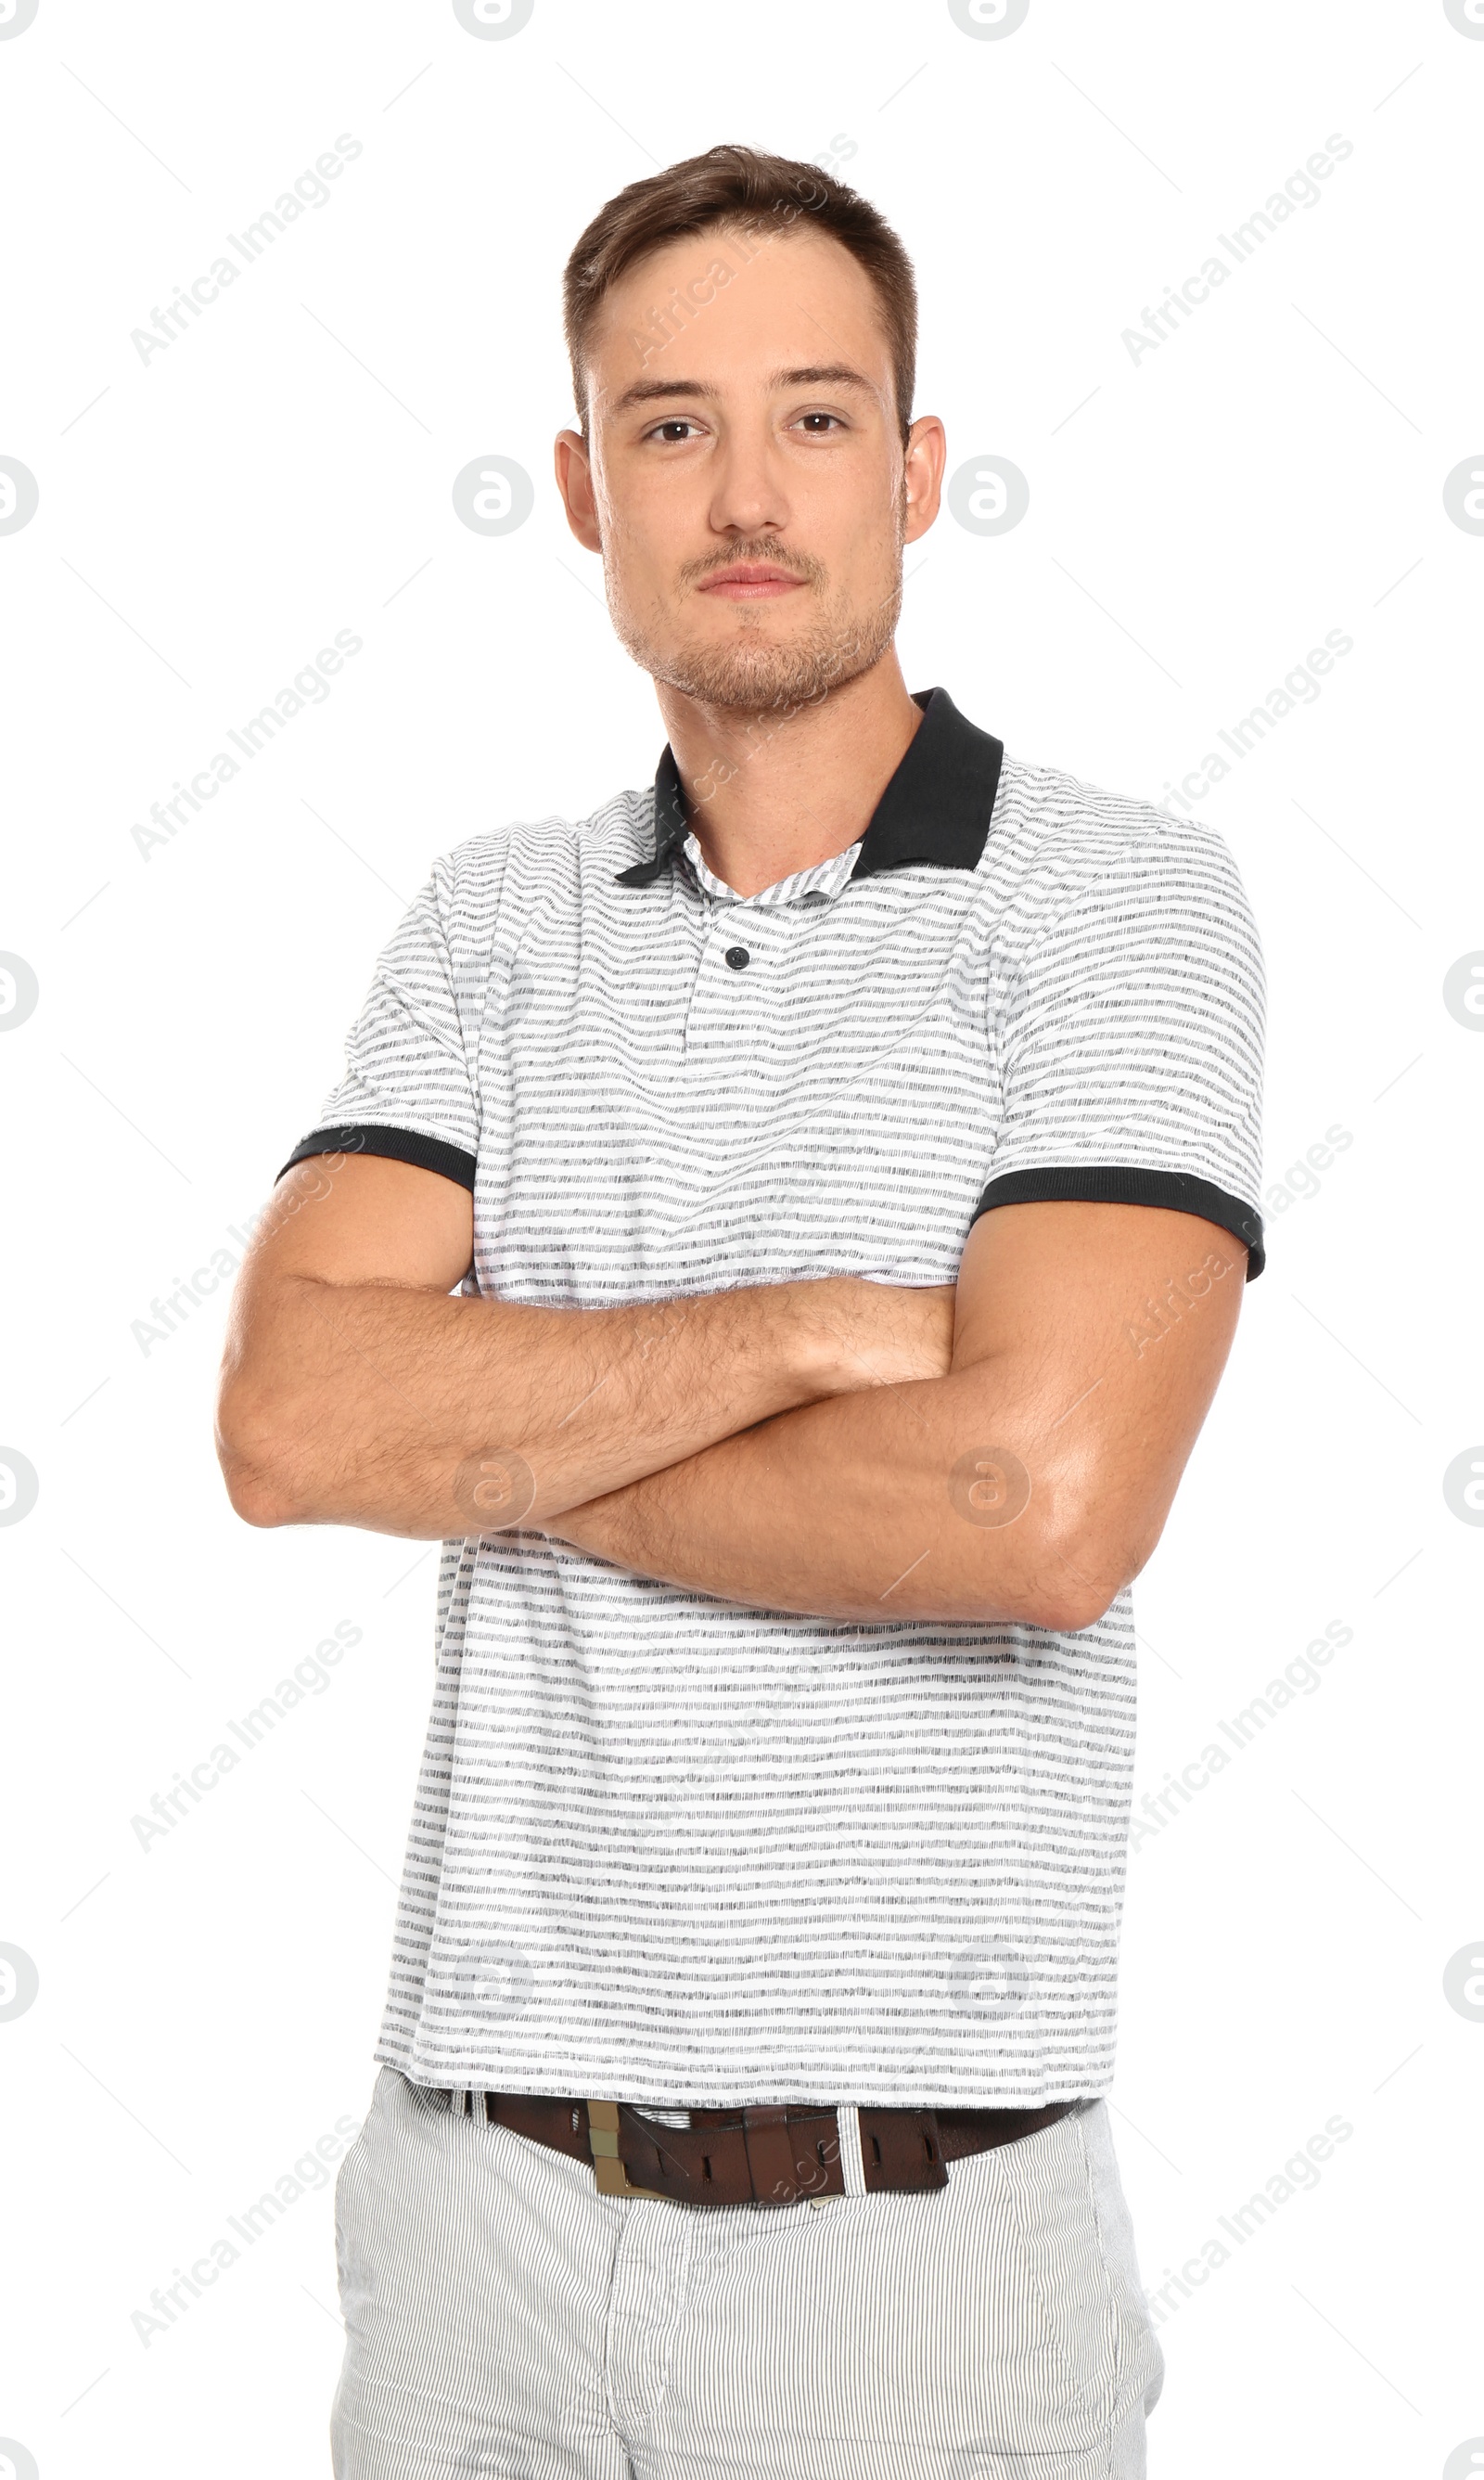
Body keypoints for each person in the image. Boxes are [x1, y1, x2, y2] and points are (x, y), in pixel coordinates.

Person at [216, 142, 1265, 2479]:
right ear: (586, 490)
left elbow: (1034, 1504)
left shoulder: (1118, 902)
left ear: (911, 467)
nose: (743, 487)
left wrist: (497, 1426)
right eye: (670, 425)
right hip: (469, 2214)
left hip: (907, 2256)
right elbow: (293, 1422)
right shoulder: (493, 921)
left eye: (812, 415)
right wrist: (806, 1327)